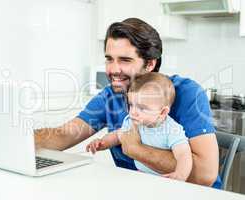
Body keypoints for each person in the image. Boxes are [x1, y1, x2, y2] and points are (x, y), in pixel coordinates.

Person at [34, 18, 221, 188]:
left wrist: (136, 149)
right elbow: (64, 135)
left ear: (150, 64)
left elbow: (206, 175)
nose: (114, 70)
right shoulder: (111, 96)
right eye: (109, 59)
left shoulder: (187, 93)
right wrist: (20, 140)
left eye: (125, 60)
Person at [86, 73, 193, 181]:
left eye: (142, 108)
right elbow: (118, 135)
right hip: (141, 175)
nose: (133, 112)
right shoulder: (132, 122)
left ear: (162, 112)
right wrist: (102, 143)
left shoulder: (171, 130)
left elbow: (183, 155)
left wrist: (180, 174)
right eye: (131, 105)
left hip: (165, 179)